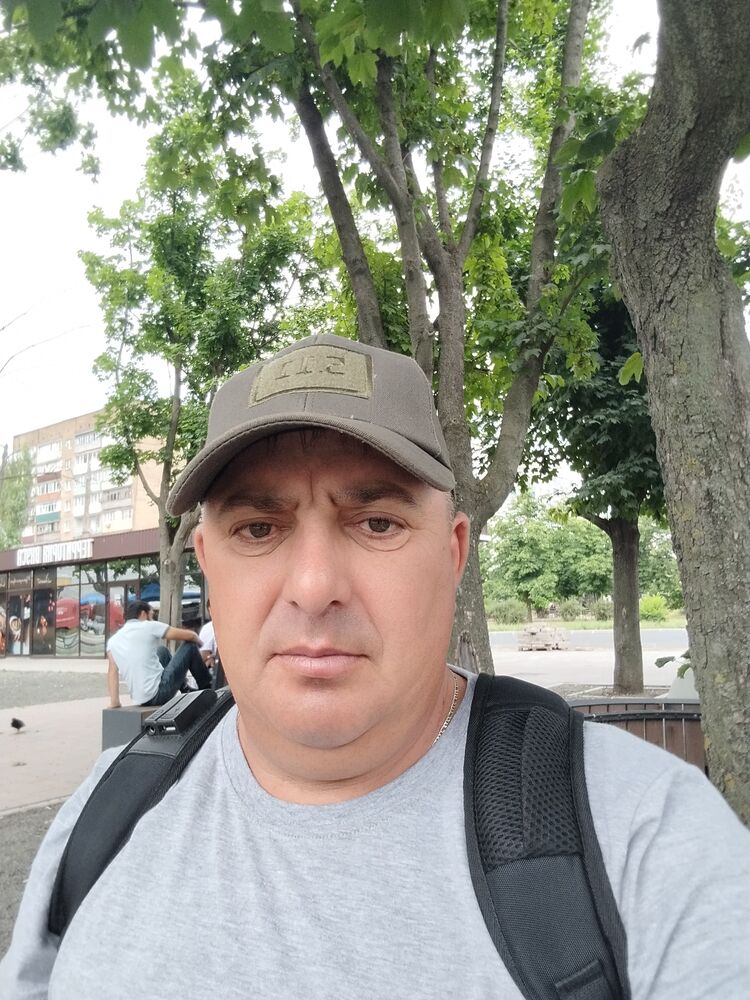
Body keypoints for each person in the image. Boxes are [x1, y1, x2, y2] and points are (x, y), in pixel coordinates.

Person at [1, 333, 749, 999]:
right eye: (258, 529)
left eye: (378, 523)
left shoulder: (647, 836)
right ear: (206, 564)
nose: (313, 587)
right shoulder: (109, 803)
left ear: (453, 554)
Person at [106, 599, 211, 708]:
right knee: (190, 646)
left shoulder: (113, 640)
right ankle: (208, 687)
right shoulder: (148, 626)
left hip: (139, 699)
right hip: (159, 693)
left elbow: (112, 672)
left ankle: (185, 688)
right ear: (143, 614)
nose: (152, 619)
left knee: (162, 651)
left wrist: (115, 702)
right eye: (151, 615)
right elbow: (190, 636)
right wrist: (200, 643)